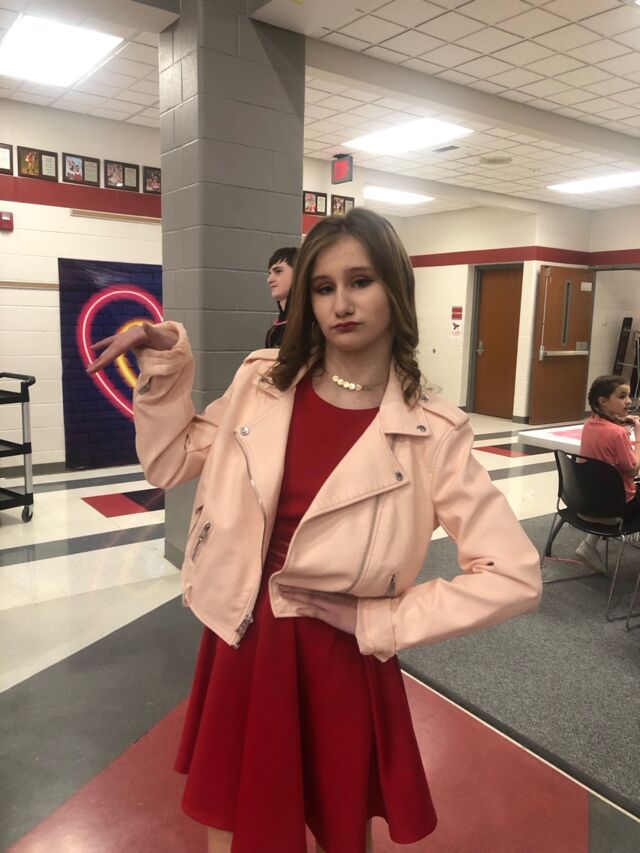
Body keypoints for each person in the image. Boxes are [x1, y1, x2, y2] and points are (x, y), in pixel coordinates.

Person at [87, 208, 542, 853]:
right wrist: (164, 370)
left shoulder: (432, 432)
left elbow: (514, 576)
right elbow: (169, 462)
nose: (341, 303)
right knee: (233, 818)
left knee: (340, 824)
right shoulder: (262, 383)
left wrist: (382, 620)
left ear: (395, 289)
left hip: (339, 650)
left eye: (361, 281)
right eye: (324, 288)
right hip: (244, 632)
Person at [576, 375, 640, 571]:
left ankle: (589, 544)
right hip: (615, 508)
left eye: (628, 396)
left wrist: (618, 422)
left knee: (607, 485)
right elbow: (633, 470)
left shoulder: (589, 424)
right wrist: (638, 437)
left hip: (586, 501)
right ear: (603, 401)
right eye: (622, 396)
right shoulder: (618, 433)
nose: (629, 401)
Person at [265, 246, 298, 348]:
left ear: (299, 273)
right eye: (269, 273)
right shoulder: (273, 331)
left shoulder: (312, 328)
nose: (269, 279)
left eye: (278, 271)